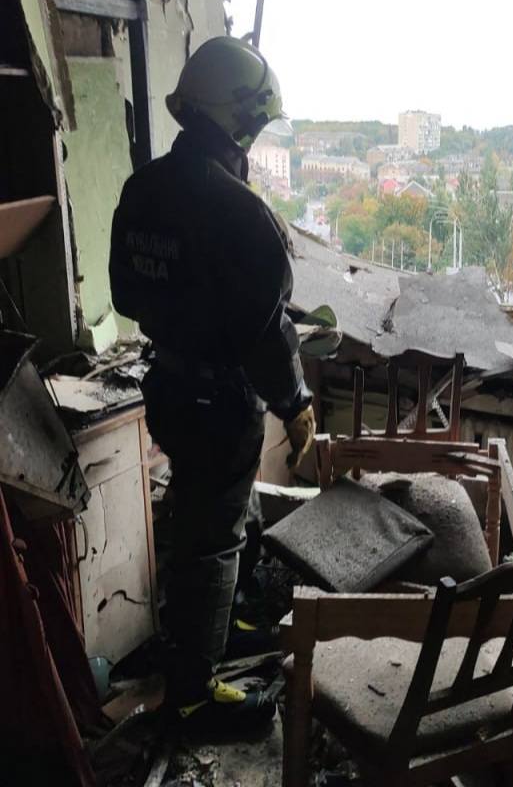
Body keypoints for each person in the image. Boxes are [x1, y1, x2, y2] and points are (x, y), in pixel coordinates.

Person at [109, 36, 315, 729]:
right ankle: (194, 692)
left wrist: (192, 316)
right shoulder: (238, 211)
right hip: (221, 401)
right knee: (211, 540)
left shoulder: (143, 189)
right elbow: (266, 335)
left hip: (169, 386)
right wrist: (296, 404)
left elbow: (128, 294)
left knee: (221, 514)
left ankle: (226, 625)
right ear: (240, 122)